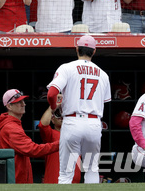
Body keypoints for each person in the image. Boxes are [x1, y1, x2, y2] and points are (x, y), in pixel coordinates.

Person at [47, 34, 111, 184]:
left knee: (65, 173)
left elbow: (51, 94)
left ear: (76, 49)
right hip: (94, 123)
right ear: (94, 51)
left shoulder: (67, 68)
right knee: (92, 169)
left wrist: (53, 107)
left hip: (72, 121)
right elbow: (104, 102)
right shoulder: (103, 74)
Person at [0, 88, 59, 184]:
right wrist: (61, 144)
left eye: (23, 101)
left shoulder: (13, 124)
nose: (23, 104)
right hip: (16, 181)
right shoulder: (11, 127)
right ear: (9, 106)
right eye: (18, 102)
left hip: (15, 179)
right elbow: (33, 150)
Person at [39, 105, 81, 184]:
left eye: (65, 114)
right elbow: (43, 125)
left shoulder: (77, 136)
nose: (62, 117)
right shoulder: (51, 134)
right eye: (58, 114)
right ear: (53, 119)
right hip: (54, 181)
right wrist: (53, 105)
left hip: (74, 182)